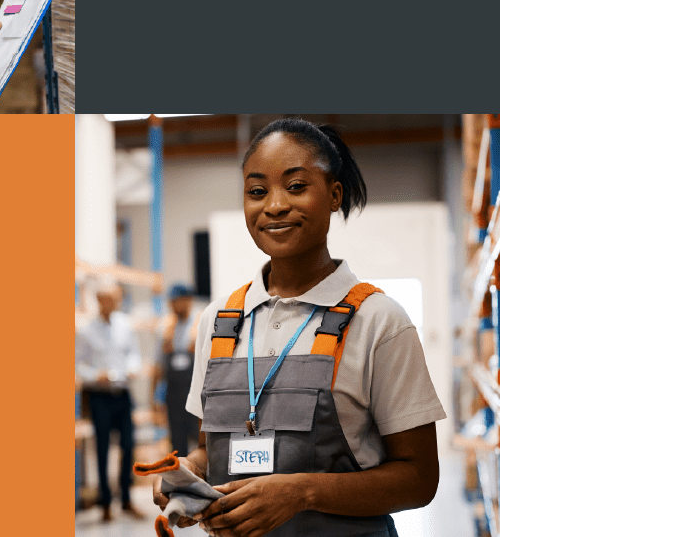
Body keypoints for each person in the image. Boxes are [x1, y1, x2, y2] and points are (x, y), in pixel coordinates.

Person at [159, 119, 444, 537]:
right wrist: (189, 474)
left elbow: (419, 478)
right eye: (257, 191)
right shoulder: (218, 322)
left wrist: (302, 493)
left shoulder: (379, 321)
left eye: (295, 187)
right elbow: (209, 450)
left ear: (334, 195)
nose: (274, 206)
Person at [76, 282, 144, 522]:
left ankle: (126, 499)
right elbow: (78, 365)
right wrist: (96, 375)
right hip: (100, 396)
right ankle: (105, 502)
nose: (114, 303)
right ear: (99, 300)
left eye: (117, 298)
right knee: (103, 449)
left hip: (122, 394)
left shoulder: (125, 325)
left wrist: (133, 368)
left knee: (128, 445)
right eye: (109, 299)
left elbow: (133, 354)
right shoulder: (86, 330)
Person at [159, 284, 202, 459]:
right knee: (177, 441)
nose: (173, 306)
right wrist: (157, 397)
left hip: (195, 390)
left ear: (188, 301)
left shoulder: (201, 323)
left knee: (198, 439)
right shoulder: (166, 327)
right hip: (174, 394)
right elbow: (159, 366)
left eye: (176, 301)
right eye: (171, 302)